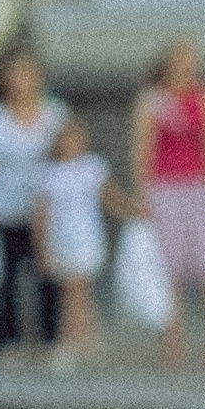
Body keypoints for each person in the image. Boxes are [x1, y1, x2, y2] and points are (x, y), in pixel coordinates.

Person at [132, 39, 205, 372]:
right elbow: (143, 149)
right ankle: (173, 338)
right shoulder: (152, 100)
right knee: (167, 265)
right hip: (164, 188)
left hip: (199, 186)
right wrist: (143, 193)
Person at [0, 50, 66, 355]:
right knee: (7, 275)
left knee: (48, 272)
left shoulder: (55, 114)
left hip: (46, 210)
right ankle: (10, 340)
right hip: (5, 206)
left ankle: (50, 340)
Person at [32, 117, 131, 370]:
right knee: (69, 291)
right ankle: (73, 340)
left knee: (80, 290)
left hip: (87, 239)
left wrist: (131, 210)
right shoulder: (49, 173)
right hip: (61, 241)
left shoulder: (91, 168)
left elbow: (109, 196)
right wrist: (41, 247)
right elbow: (40, 215)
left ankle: (82, 338)